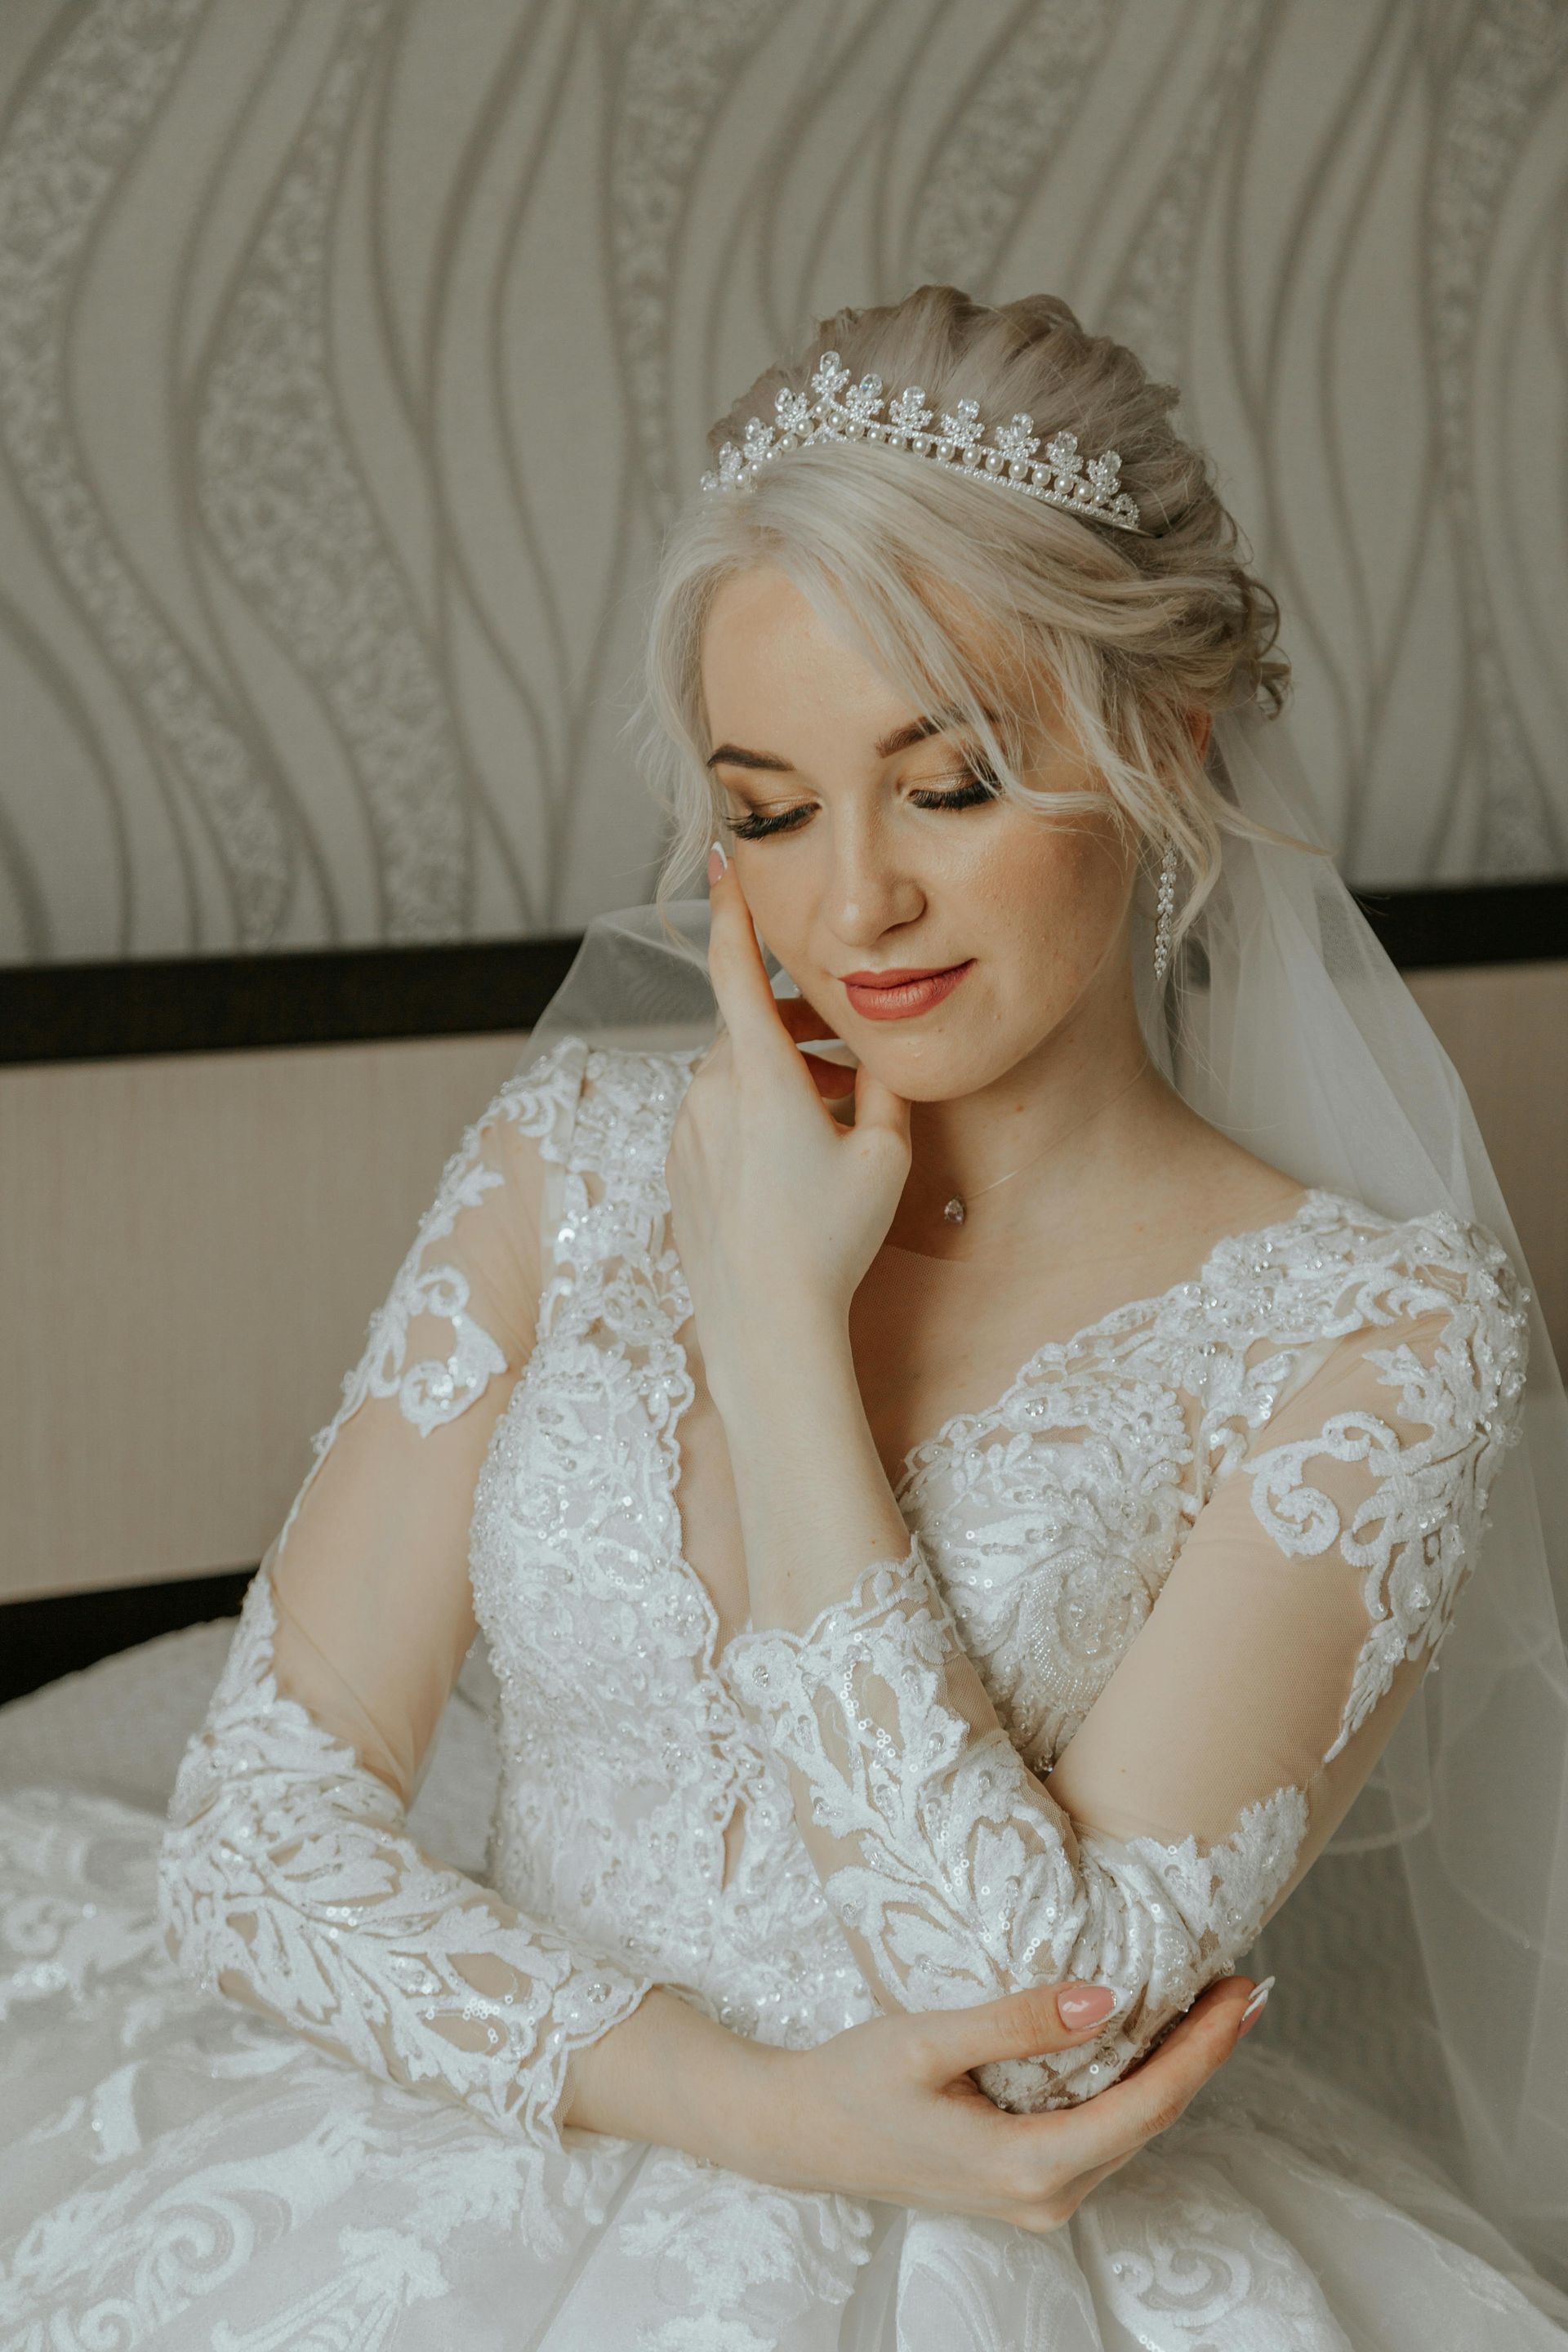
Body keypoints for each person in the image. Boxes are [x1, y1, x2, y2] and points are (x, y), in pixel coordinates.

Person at [2, 287, 1566, 2348]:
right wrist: (755, 2108)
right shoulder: (567, 1158)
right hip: (480, 2151)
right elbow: (253, 1846)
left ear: (1162, 747)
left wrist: (769, 1330)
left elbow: (1036, 2044)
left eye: (953, 784)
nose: (854, 909)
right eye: (767, 808)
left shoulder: (1381, 1335)